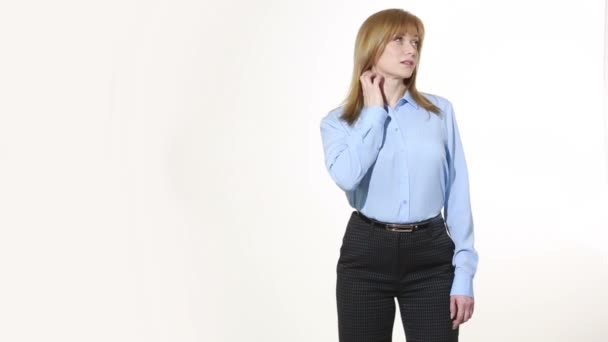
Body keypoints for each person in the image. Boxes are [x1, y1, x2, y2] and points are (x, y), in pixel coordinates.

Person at [320, 8, 479, 342]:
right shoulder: (339, 122)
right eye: (399, 40)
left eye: (416, 42)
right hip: (366, 254)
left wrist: (463, 274)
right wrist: (374, 113)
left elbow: (458, 193)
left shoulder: (439, 113)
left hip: (431, 257)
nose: (412, 50)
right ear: (372, 47)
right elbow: (347, 176)